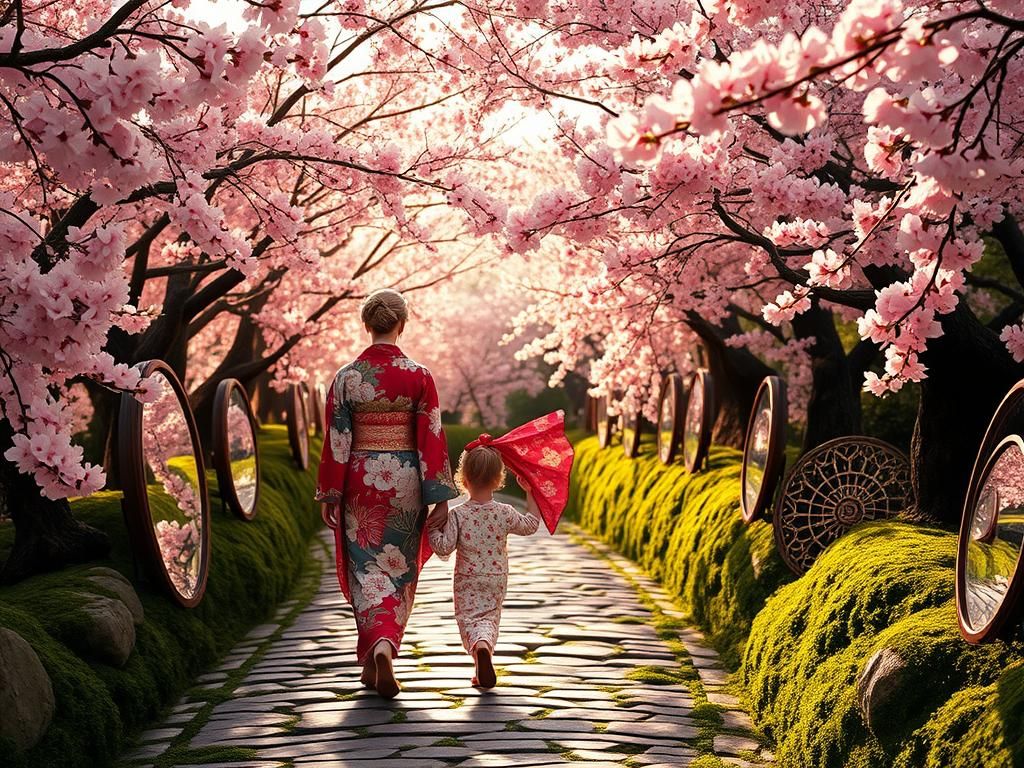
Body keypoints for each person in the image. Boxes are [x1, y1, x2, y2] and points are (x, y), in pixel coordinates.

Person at [315, 288, 458, 699]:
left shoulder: (346, 377)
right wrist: (440, 495)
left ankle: (375, 649)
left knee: (365, 570)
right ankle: (382, 648)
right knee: (398, 568)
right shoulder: (419, 375)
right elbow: (431, 436)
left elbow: (337, 439)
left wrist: (331, 492)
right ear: (402, 324)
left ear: (366, 324)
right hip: (405, 481)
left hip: (361, 479)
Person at [428, 444, 541, 689]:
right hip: (496, 578)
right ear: (498, 480)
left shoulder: (458, 515)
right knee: (489, 618)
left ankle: (479, 648)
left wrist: (432, 529)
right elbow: (531, 525)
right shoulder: (504, 512)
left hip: (467, 578)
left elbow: (444, 547)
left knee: (469, 620)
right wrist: (530, 492)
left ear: (463, 480)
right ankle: (484, 652)